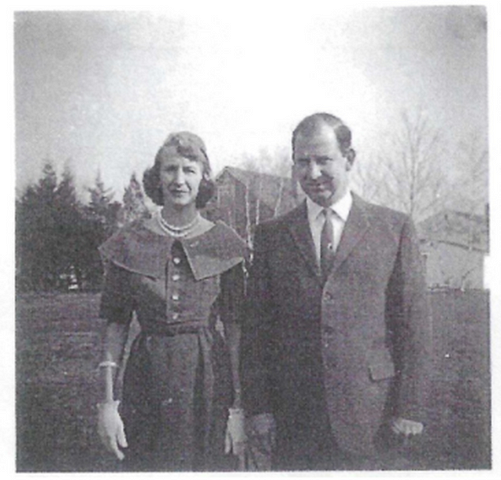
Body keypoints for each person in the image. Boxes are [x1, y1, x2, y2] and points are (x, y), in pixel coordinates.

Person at [240, 113, 432, 470]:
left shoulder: (394, 228)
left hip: (373, 415)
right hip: (294, 418)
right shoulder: (272, 235)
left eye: (323, 160)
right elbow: (256, 332)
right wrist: (259, 409)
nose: (312, 173)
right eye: (302, 162)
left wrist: (409, 408)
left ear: (349, 158)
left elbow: (413, 326)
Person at [96, 132, 246, 471]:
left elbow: (237, 332)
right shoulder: (129, 242)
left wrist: (239, 409)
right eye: (170, 169)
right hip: (147, 375)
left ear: (203, 177)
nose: (179, 180)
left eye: (190, 170)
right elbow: (115, 326)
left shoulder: (225, 243)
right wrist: (107, 404)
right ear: (157, 176)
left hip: (209, 378)